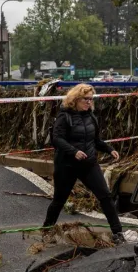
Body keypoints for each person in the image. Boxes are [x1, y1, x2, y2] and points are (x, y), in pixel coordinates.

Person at [42, 83, 126, 244]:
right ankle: (47, 230)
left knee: (106, 196)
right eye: (85, 99)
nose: (89, 102)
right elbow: (57, 139)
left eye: (90, 99)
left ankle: (117, 232)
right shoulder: (64, 116)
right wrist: (73, 151)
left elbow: (95, 140)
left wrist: (109, 149)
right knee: (59, 200)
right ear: (75, 99)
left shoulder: (91, 116)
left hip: (89, 164)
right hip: (67, 165)